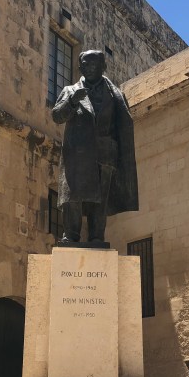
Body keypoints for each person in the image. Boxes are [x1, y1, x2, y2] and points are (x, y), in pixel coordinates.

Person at [51, 49, 138, 243]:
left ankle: (97, 237)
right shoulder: (70, 91)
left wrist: (116, 152)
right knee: (72, 196)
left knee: (100, 200)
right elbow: (57, 116)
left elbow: (121, 126)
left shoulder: (115, 95)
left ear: (103, 66)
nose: (89, 68)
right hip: (77, 154)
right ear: (80, 67)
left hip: (105, 154)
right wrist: (72, 101)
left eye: (94, 64)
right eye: (85, 65)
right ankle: (71, 235)